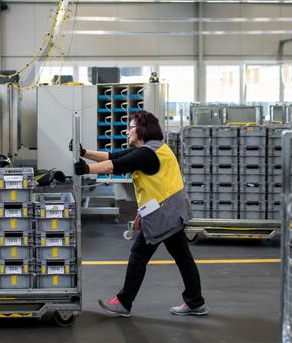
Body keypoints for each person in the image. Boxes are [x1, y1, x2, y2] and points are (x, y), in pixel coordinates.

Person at [71, 111, 208, 317]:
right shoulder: (153, 149)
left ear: (142, 130)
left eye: (132, 127)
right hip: (169, 212)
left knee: (139, 255)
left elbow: (115, 165)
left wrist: (87, 169)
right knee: (182, 258)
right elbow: (113, 156)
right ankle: (195, 302)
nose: (128, 130)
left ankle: (124, 302)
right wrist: (84, 152)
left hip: (164, 214)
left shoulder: (148, 153)